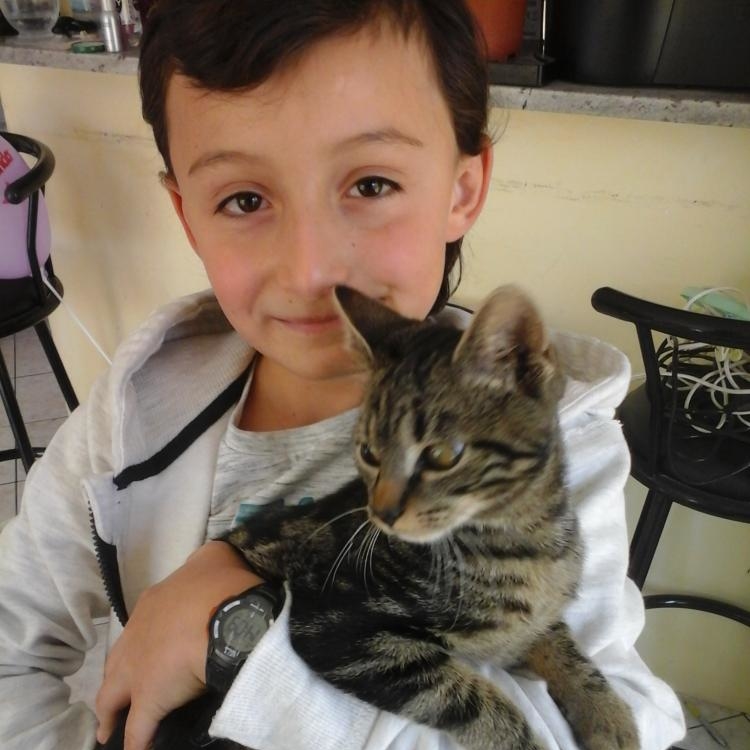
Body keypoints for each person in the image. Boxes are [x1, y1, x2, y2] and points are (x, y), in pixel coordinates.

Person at [0, 1, 686, 749]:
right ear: (187, 216)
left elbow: (626, 720)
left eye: (371, 185)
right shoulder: (127, 416)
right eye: (244, 199)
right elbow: (10, 645)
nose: (310, 270)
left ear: (462, 189)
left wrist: (237, 636)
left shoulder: (564, 443)